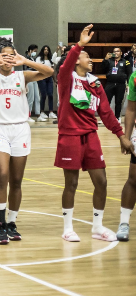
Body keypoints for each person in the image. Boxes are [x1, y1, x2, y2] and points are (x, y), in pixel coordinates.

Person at [0, 39, 54, 244]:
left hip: (20, 129)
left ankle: (12, 223)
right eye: (3, 55)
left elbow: (49, 72)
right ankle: (0, 225)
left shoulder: (22, 76)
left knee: (16, 180)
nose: (8, 58)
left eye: (11, 55)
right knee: (2, 175)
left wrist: (25, 60)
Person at [55, 25, 135, 243]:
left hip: (91, 137)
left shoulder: (95, 83)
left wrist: (121, 135)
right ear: (75, 61)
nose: (90, 59)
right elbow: (66, 65)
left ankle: (98, 227)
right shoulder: (66, 79)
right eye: (86, 56)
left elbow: (107, 113)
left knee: (101, 181)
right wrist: (79, 45)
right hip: (70, 136)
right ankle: (68, 227)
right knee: (71, 183)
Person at [117, 70, 136, 240]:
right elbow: (130, 109)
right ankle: (124, 223)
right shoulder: (135, 76)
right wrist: (126, 137)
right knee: (133, 178)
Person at [100, 47, 132, 120]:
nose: (115, 52)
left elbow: (129, 73)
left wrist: (128, 84)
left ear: (121, 53)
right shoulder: (109, 61)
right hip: (110, 83)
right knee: (106, 102)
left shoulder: (125, 62)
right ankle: (105, 118)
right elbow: (102, 68)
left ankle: (117, 118)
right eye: (114, 51)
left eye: (117, 51)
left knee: (118, 102)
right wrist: (105, 59)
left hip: (121, 84)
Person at [35, 46, 58, 121]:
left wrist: (55, 80)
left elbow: (53, 70)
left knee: (50, 94)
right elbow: (37, 68)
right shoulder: (39, 59)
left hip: (49, 78)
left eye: (47, 49)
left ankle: (51, 112)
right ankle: (42, 111)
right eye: (44, 49)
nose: (46, 51)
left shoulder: (50, 59)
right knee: (43, 94)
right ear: (42, 50)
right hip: (42, 78)